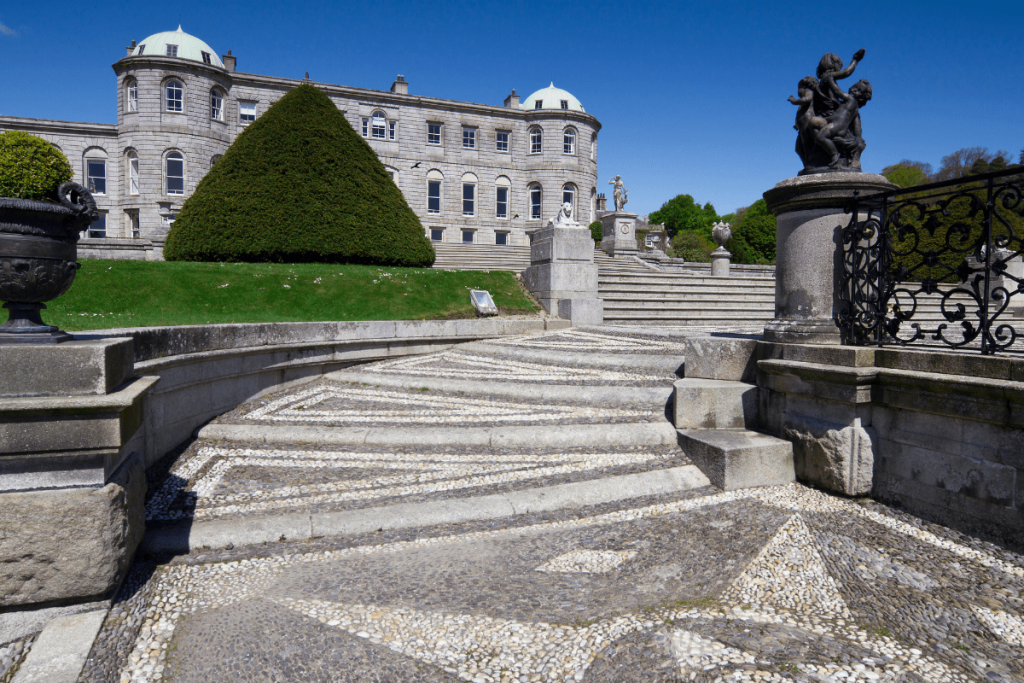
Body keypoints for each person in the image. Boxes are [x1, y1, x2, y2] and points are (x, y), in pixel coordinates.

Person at [813, 79, 872, 168]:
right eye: (855, 87)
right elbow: (857, 126)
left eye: (859, 91)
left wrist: (830, 79)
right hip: (842, 130)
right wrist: (858, 137)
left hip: (835, 126)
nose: (854, 90)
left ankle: (834, 155)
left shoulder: (850, 99)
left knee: (820, 137)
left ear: (861, 97)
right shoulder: (855, 109)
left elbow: (837, 91)